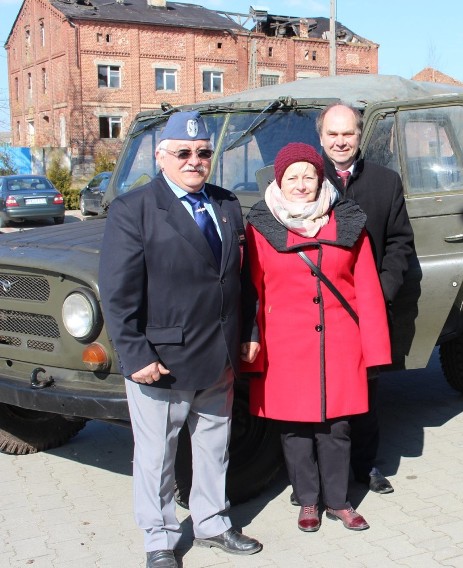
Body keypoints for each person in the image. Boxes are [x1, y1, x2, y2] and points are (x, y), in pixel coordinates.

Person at [99, 111, 262, 568]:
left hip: (220, 354)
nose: (194, 161)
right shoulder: (134, 210)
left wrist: (248, 331)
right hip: (162, 361)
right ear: (161, 156)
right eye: (183, 152)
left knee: (214, 446)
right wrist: (134, 355)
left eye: (203, 152)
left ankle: (212, 521)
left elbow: (240, 280)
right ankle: (160, 539)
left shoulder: (226, 204)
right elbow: (118, 291)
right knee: (157, 457)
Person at [241, 142, 392, 532]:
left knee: (336, 427)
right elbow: (250, 290)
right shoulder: (260, 225)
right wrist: (249, 338)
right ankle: (307, 501)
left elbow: (368, 289)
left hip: (340, 342)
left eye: (309, 175)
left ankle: (339, 502)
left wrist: (374, 350)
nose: (302, 184)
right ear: (279, 180)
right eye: (293, 176)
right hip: (284, 345)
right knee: (293, 428)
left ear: (320, 177)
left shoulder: (347, 220)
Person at [317, 102, 415, 494]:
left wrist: (383, 290)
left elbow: (399, 243)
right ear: (320, 137)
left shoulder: (385, 182)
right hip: (318, 309)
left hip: (366, 310)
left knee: (366, 394)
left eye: (348, 134)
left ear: (360, 136)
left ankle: (365, 465)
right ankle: (314, 476)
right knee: (318, 393)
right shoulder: (302, 179)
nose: (341, 142)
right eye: (333, 134)